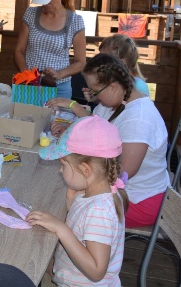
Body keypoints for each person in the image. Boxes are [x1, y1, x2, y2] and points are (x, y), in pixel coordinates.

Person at [46, 53, 170, 227]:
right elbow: (95, 127)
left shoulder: (139, 119)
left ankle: (76, 241)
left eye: (95, 91)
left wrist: (80, 178)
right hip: (117, 190)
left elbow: (122, 173)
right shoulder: (115, 101)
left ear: (113, 87)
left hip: (137, 200)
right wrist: (71, 132)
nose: (94, 96)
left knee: (58, 201)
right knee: (58, 187)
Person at [27, 115, 127, 286]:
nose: (60, 170)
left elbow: (96, 271)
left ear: (85, 170)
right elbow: (84, 230)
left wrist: (61, 229)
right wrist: (72, 205)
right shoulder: (101, 193)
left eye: (64, 165)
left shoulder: (99, 210)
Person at [14, 0, 86, 99]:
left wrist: (59, 74)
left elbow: (81, 62)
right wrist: (27, 73)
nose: (45, 4)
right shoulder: (31, 14)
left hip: (60, 88)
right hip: (29, 84)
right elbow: (19, 50)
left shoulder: (75, 21)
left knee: (57, 113)